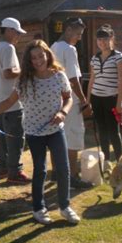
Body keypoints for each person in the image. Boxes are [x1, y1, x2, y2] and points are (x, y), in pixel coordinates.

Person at [0, 40, 80, 225]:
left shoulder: (59, 76)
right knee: (40, 170)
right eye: (33, 57)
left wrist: (63, 112)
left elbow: (68, 98)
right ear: (29, 60)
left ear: (47, 55)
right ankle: (38, 208)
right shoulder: (24, 80)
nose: (37, 60)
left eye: (40, 56)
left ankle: (65, 207)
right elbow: (9, 101)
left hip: (56, 130)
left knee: (63, 168)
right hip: (34, 133)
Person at [51, 17, 92, 189]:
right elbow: (73, 79)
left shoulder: (53, 47)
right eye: (78, 34)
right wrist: (83, 101)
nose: (79, 38)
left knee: (58, 137)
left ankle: (57, 173)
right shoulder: (69, 49)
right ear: (67, 30)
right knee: (73, 138)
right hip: (70, 100)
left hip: (55, 99)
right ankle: (72, 176)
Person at [0, 17, 30, 184]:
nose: (18, 36)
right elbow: (8, 73)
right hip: (12, 102)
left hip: (1, 103)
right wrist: (24, 72)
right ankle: (15, 172)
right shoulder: (8, 48)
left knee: (4, 140)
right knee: (16, 139)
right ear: (8, 30)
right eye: (16, 32)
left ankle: (3, 168)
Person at [87, 24, 122, 163]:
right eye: (99, 40)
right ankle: (105, 161)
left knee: (113, 131)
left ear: (111, 38)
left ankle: (120, 161)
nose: (102, 43)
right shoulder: (94, 58)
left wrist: (119, 102)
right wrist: (88, 100)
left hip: (112, 98)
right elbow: (92, 79)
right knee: (102, 130)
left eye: (104, 39)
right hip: (96, 98)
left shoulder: (119, 57)